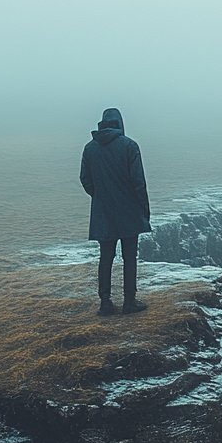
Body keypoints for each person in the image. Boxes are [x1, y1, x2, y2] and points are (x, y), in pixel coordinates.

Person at [79, 107, 151, 315]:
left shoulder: (90, 148)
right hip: (128, 211)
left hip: (103, 212)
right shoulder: (129, 146)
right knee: (130, 257)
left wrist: (100, 196)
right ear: (119, 123)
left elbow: (85, 180)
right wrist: (143, 209)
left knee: (106, 257)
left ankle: (105, 302)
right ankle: (130, 302)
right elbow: (139, 183)